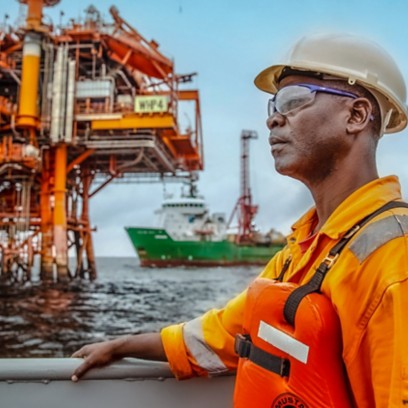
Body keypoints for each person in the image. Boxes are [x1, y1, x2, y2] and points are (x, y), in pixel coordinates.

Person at [71, 33, 408, 407]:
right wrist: (122, 345)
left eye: (294, 101)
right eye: (273, 106)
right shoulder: (306, 249)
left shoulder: (394, 259)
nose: (274, 119)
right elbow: (224, 333)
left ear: (356, 115)